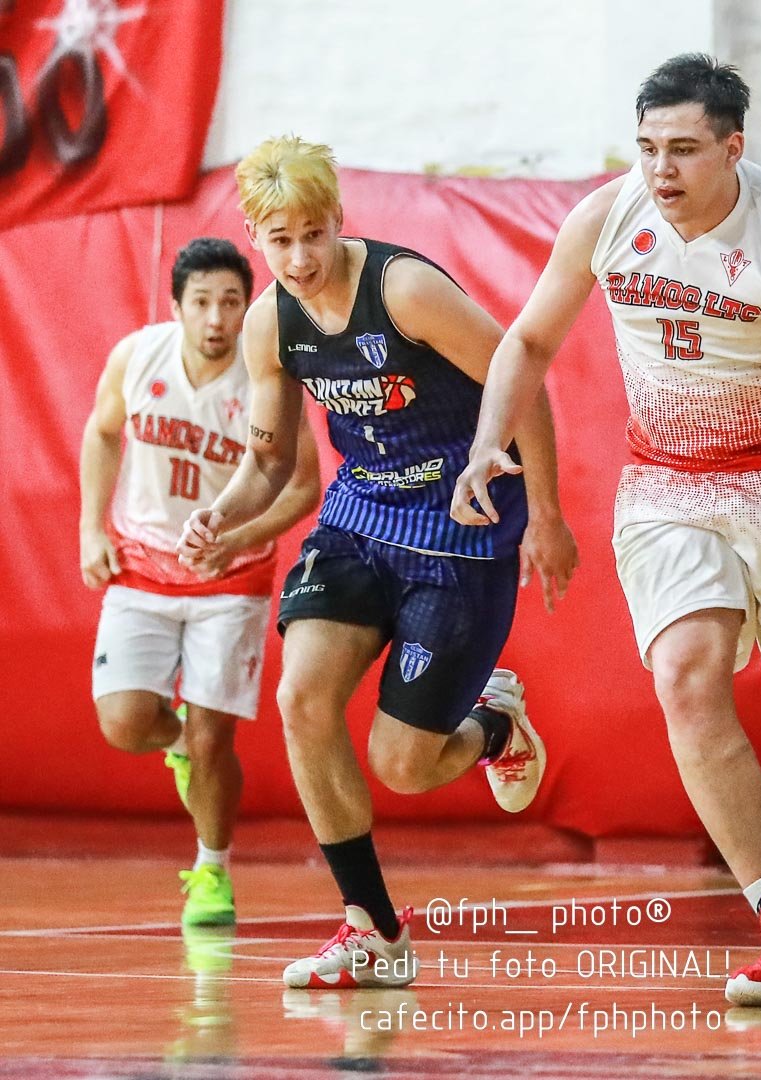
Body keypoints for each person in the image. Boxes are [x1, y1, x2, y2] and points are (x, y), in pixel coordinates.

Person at [452, 54, 761, 1007]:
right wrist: (486, 445)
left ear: (733, 147)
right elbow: (526, 340)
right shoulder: (608, 219)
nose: (661, 171)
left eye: (683, 150)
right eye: (647, 148)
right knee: (685, 674)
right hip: (669, 483)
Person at [176, 136, 578, 990]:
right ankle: (374, 933)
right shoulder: (269, 324)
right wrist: (222, 513)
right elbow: (269, 462)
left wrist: (546, 514)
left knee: (403, 765)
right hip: (359, 522)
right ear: (255, 236)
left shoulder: (404, 290)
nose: (299, 257)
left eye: (312, 235)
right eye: (278, 240)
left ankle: (495, 724)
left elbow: (523, 379)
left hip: (460, 528)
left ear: (337, 223)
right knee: (300, 696)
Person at [80, 237, 322, 926]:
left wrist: (238, 539)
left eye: (231, 303)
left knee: (219, 740)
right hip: (143, 563)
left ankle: (212, 871)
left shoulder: (269, 377)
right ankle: (177, 743)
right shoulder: (136, 357)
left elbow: (303, 486)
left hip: (230, 576)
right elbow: (101, 434)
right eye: (203, 302)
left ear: (249, 309)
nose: (217, 318)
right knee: (126, 722)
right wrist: (90, 530)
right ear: (177, 307)